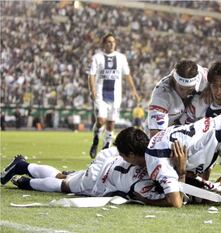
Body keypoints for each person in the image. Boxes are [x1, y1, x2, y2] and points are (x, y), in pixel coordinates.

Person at [0, 129, 181, 207]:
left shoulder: (142, 160)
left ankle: (22, 166)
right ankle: (25, 177)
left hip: (106, 170)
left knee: (62, 177)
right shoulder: (154, 157)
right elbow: (175, 197)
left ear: (132, 154)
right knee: (65, 185)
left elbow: (111, 153)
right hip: (100, 178)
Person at [88, 33, 140, 159]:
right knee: (101, 120)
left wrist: (134, 91)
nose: (111, 44)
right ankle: (96, 138)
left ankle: (105, 148)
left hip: (116, 95)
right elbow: (91, 75)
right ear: (104, 44)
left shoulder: (121, 58)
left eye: (113, 42)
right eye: (108, 42)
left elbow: (127, 75)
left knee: (111, 124)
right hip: (101, 93)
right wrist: (92, 89)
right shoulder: (97, 57)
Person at [147, 60, 208, 138]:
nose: (185, 94)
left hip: (191, 121)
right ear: (174, 80)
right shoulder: (161, 95)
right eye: (181, 89)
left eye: (190, 89)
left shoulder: (202, 75)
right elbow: (155, 134)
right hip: (168, 129)